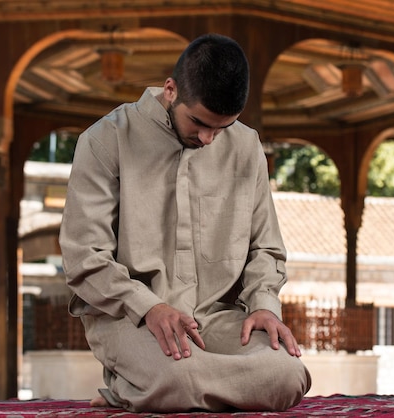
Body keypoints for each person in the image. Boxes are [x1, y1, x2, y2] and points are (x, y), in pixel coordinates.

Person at [59, 33, 311, 413]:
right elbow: (84, 257)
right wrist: (149, 306)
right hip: (130, 318)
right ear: (171, 89)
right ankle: (151, 382)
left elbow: (265, 247)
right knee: (177, 377)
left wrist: (263, 305)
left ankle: (138, 390)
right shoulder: (104, 140)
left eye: (222, 128)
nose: (209, 139)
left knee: (288, 374)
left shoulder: (246, 147)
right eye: (199, 123)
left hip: (215, 318)